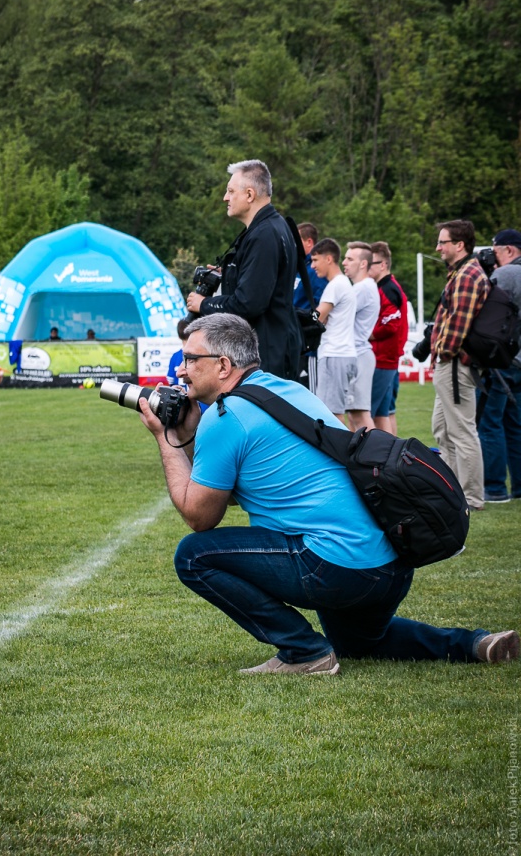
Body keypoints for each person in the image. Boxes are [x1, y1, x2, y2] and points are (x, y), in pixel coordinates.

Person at [138, 313, 519, 674]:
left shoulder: (226, 416)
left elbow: (199, 516)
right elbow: (226, 493)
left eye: (190, 358)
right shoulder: (286, 390)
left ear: (223, 365)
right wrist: (189, 437)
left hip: (335, 569)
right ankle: (474, 644)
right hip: (388, 567)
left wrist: (166, 438)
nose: (180, 369)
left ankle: (304, 652)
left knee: (193, 555)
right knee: (360, 642)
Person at [185, 159, 302, 380]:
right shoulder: (271, 227)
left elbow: (249, 303)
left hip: (265, 355)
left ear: (249, 195)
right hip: (271, 347)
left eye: (230, 191)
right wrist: (228, 275)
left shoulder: (264, 235)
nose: (225, 198)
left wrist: (204, 304)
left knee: (260, 414)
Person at [431, 219, 490, 512]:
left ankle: (471, 498)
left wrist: (441, 351)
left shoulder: (467, 274)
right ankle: (453, 491)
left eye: (443, 242)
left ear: (459, 245)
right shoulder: (461, 271)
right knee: (442, 429)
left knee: (462, 432)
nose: (438, 247)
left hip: (454, 366)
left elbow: (457, 325)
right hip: (450, 366)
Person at [478, 228, 521, 502]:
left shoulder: (506, 274)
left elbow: (483, 307)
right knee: (515, 425)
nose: (492, 256)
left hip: (502, 360)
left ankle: (494, 488)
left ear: (509, 250)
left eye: (494, 250)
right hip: (520, 362)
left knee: (489, 423)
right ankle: (518, 486)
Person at [310, 237, 356, 424]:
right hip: (342, 354)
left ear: (328, 259)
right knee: (333, 413)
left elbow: (318, 318)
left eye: (315, 260)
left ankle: (336, 454)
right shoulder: (343, 283)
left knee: (331, 416)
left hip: (334, 354)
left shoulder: (336, 285)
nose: (312, 266)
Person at [368, 242, 409, 435]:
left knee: (367, 413)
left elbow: (391, 324)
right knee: (383, 414)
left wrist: (368, 334)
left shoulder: (388, 289)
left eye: (371, 263)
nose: (367, 267)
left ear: (383, 265)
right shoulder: (387, 287)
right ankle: (391, 460)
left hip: (383, 359)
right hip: (387, 359)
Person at [342, 241, 380, 431]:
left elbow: (335, 314)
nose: (344, 262)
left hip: (359, 355)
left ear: (363, 264)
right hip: (358, 355)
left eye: (349, 258)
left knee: (360, 415)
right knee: (354, 415)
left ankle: (376, 459)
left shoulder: (362, 288)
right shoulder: (363, 287)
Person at [293, 222, 327, 392]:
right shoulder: (297, 268)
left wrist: (307, 322)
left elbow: (321, 310)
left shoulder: (316, 272)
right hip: (293, 343)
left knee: (310, 395)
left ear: (309, 242)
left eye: (296, 239)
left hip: (308, 347)